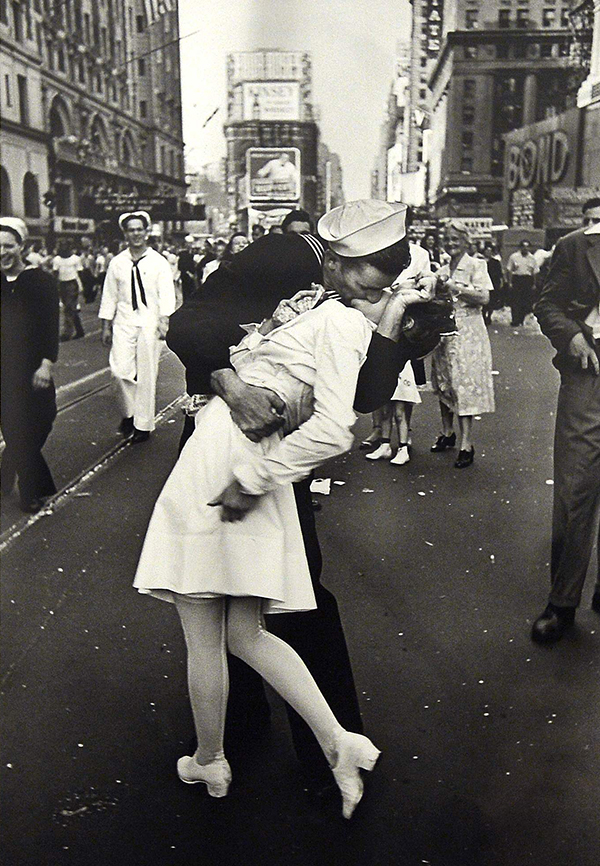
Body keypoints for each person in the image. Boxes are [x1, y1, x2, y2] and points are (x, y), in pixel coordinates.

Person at [134, 200, 435, 819]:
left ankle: (281, 747)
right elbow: (190, 322)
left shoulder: (357, 308)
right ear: (342, 258)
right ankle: (253, 737)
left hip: (260, 458)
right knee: (244, 618)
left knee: (258, 611)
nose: (375, 285)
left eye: (391, 274)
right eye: (371, 271)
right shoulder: (286, 255)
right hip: (240, 438)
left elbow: (363, 398)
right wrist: (232, 385)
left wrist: (397, 335)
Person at [530, 219, 600, 643]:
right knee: (575, 489)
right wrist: (572, 336)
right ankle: (562, 602)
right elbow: (547, 305)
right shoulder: (576, 245)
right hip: (589, 375)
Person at [98, 211, 176, 444]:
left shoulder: (158, 262)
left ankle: (142, 424)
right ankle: (128, 414)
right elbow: (109, 295)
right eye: (131, 230)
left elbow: (167, 294)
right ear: (125, 233)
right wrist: (105, 325)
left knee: (146, 374)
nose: (136, 234)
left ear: (146, 232)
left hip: (149, 322)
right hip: (123, 321)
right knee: (119, 372)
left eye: (139, 229)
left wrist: (164, 320)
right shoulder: (117, 262)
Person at [1, 218, 60, 513]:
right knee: (14, 429)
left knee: (42, 421)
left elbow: (50, 325)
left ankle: (6, 466)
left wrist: (46, 364)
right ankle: (31, 492)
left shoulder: (41, 282)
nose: (1, 252)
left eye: (8, 246)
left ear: (21, 247)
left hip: (34, 367)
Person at [361, 235, 434, 458]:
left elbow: (427, 285)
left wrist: (424, 283)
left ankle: (404, 437)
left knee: (403, 392)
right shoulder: (375, 250)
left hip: (405, 328)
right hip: (377, 321)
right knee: (377, 382)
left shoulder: (419, 254)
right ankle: (380, 434)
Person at [430, 220, 495, 468]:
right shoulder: (443, 268)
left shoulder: (477, 265)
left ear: (466, 241)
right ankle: (448, 433)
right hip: (445, 331)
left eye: (455, 239)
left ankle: (466, 444)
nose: (450, 243)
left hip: (468, 330)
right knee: (444, 382)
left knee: (464, 384)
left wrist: (453, 287)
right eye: (447, 239)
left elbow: (484, 297)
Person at [52, 240, 85, 341]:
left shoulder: (76, 259)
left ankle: (67, 333)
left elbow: (80, 273)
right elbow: (55, 273)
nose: (63, 249)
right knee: (69, 308)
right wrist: (55, 286)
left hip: (72, 284)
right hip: (62, 284)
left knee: (69, 308)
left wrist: (81, 286)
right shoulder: (57, 259)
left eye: (65, 246)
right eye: (61, 246)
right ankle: (79, 330)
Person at [506, 239, 539, 327]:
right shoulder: (514, 257)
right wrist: (510, 282)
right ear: (520, 247)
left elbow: (535, 272)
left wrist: (534, 284)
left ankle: (521, 319)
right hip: (517, 279)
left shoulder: (532, 258)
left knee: (525, 301)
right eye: (523, 246)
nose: (525, 248)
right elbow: (509, 270)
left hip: (527, 280)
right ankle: (515, 320)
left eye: (527, 246)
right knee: (516, 300)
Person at [482, 241, 504, 325]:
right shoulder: (481, 262)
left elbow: (499, 273)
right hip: (484, 282)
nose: (488, 252)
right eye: (487, 251)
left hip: (493, 283)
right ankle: (483, 315)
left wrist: (501, 282)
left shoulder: (495, 262)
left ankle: (489, 316)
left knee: (492, 300)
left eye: (490, 251)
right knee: (484, 300)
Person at [177, 235, 197, 303]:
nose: (190, 245)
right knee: (186, 292)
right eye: (189, 243)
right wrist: (188, 273)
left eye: (191, 243)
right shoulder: (183, 254)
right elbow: (181, 266)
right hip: (186, 276)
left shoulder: (193, 253)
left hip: (192, 277)